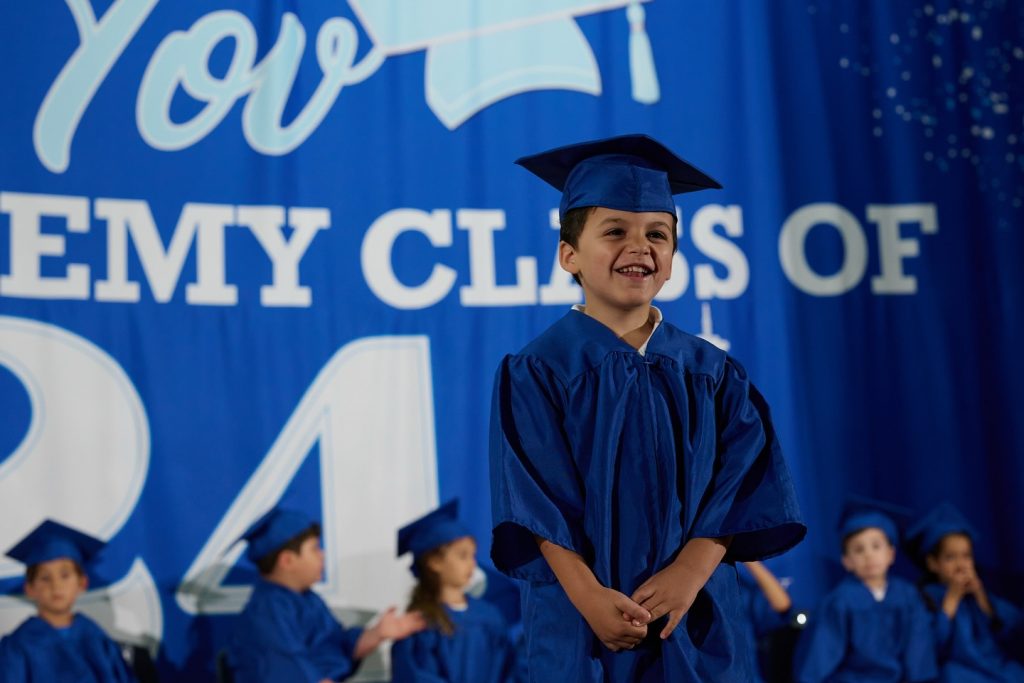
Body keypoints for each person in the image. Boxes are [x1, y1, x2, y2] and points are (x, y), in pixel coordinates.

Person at [488, 133, 806, 681]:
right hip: (581, 617)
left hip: (695, 612)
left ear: (674, 258)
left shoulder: (711, 373)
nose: (640, 246)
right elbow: (533, 503)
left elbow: (740, 486)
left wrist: (689, 572)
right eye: (615, 231)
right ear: (569, 255)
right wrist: (588, 597)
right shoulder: (539, 370)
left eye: (657, 234)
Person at [226, 507, 424, 683]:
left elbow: (337, 647)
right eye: (314, 549)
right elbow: (289, 671)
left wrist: (377, 633)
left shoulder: (309, 600)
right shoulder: (266, 612)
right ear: (287, 561)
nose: (323, 554)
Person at [792, 500, 936, 683]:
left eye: (876, 546)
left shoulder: (908, 596)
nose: (869, 555)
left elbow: (918, 653)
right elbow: (819, 656)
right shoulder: (840, 602)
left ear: (891, 554)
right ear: (847, 561)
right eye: (859, 549)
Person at [391, 499, 522, 683]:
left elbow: (510, 672)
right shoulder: (420, 623)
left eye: (472, 555)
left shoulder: (489, 615)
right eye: (462, 556)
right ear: (434, 562)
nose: (472, 564)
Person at [0, 519, 136, 682]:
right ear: (29, 588)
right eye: (45, 578)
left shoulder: (98, 639)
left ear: (82, 583)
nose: (56, 586)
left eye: (65, 575)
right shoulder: (18, 646)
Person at [905, 502, 1024, 682]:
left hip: (994, 664)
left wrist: (981, 596)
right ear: (932, 563)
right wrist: (951, 600)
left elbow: (1011, 628)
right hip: (959, 669)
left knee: (1015, 672)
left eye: (966, 556)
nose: (961, 565)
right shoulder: (927, 597)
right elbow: (927, 648)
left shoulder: (978, 592)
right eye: (950, 557)